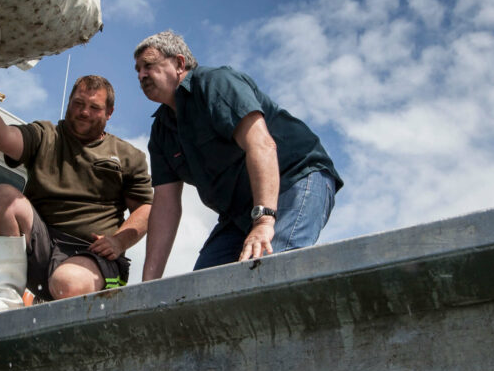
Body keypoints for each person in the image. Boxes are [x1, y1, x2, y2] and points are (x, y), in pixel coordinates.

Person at [133, 31, 342, 280]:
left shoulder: (216, 83)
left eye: (149, 65)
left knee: (269, 274)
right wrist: (148, 284)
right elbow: (165, 205)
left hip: (294, 179)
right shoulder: (161, 132)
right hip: (239, 212)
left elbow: (261, 144)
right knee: (200, 291)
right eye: (137, 69)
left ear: (179, 63)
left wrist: (264, 222)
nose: (141, 75)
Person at [0, 75, 153, 317]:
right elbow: (4, 137)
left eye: (94, 107)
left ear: (109, 112)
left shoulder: (129, 156)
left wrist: (119, 242)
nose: (84, 112)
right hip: (40, 247)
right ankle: (7, 293)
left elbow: (145, 207)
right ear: (69, 102)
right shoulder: (45, 135)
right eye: (78, 103)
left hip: (94, 255)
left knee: (66, 284)